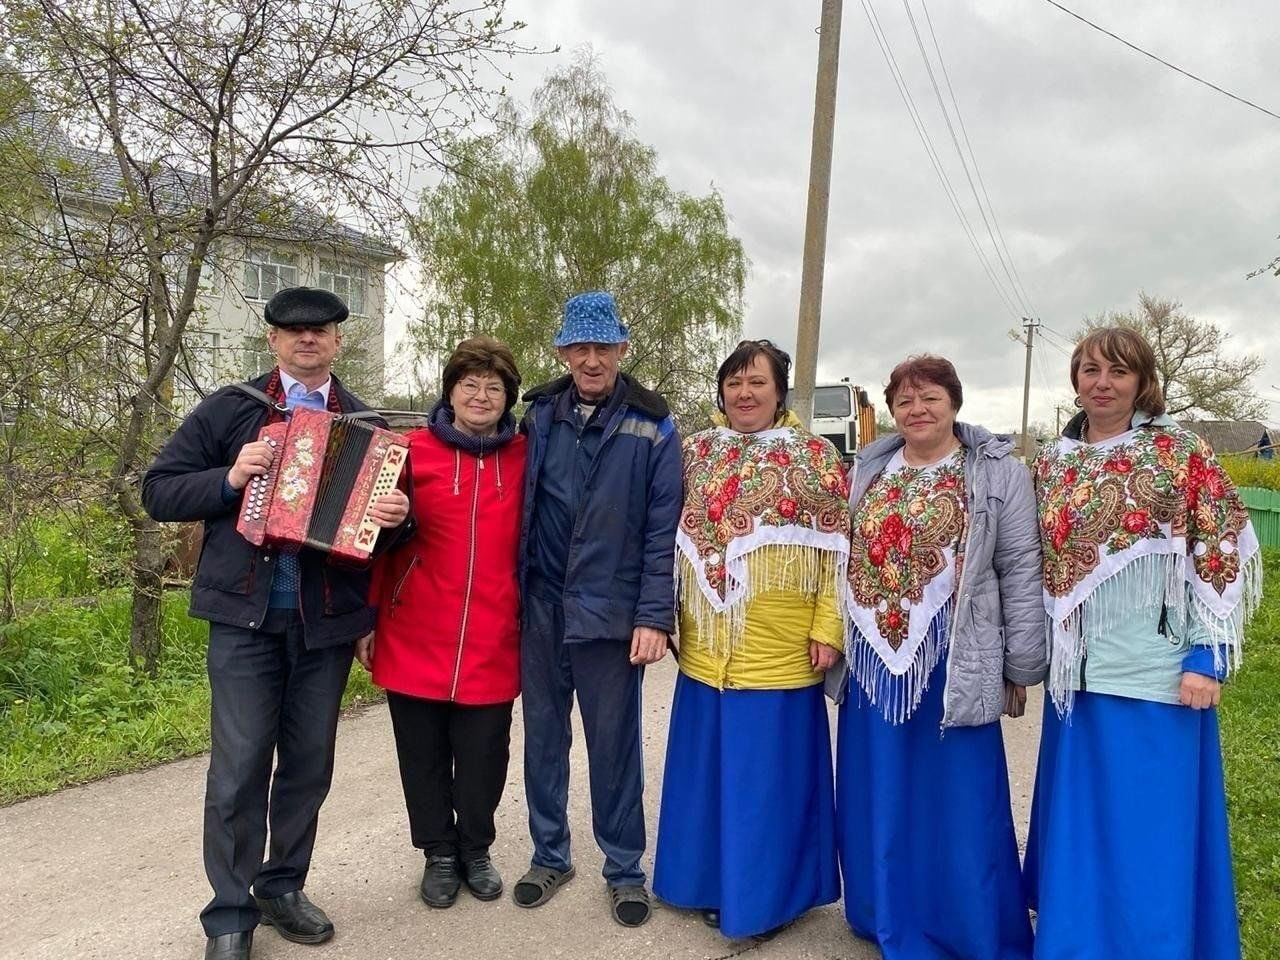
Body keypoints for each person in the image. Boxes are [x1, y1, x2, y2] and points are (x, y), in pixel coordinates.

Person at [142, 288, 410, 960]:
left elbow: (392, 538)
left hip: (322, 624)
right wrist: (229, 478)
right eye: (293, 331)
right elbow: (160, 490)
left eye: (319, 331)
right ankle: (230, 914)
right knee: (238, 770)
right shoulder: (235, 408)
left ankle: (282, 887)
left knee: (308, 768)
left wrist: (399, 520)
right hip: (244, 617)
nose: (307, 340)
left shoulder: (367, 423)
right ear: (273, 341)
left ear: (337, 342)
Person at [1025, 327, 1260, 960]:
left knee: (1150, 827)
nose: (1102, 383)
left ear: (1142, 382)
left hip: (1157, 673)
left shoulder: (1181, 453)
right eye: (1090, 370)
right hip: (1076, 675)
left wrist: (1205, 657)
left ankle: (1153, 944)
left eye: (1118, 372)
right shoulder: (1052, 461)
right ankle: (1077, 942)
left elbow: (1218, 548)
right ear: (1075, 379)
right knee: (1084, 823)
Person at [830, 354, 1043, 960]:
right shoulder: (869, 467)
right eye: (905, 400)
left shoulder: (996, 473)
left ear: (955, 401)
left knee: (959, 797)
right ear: (892, 410)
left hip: (954, 659)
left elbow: (1021, 567)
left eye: (930, 398)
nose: (917, 409)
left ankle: (970, 924)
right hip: (874, 661)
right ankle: (884, 913)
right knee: (882, 789)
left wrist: (1020, 666)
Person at [652, 339, 850, 942]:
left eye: (757, 383)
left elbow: (842, 552)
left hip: (780, 649)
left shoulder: (816, 457)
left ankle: (767, 897)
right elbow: (666, 536)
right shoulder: (697, 452)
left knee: (768, 784)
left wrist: (827, 628)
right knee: (710, 776)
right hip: (708, 648)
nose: (744, 393)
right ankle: (701, 881)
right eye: (734, 382)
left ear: (780, 391)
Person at [512, 291, 682, 927]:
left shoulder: (654, 424)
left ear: (621, 350)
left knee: (614, 745)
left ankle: (624, 868)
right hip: (542, 605)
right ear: (561, 351)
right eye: (579, 348)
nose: (591, 359)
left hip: (611, 612)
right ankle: (549, 854)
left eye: (602, 347)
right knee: (543, 739)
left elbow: (663, 529)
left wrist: (652, 615)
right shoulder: (538, 417)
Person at [359, 336, 526, 909]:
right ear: (450, 390)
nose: (481, 396)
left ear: (509, 399)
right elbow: (372, 541)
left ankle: (476, 848)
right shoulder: (408, 452)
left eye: (494, 388)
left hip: (494, 633)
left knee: (485, 752)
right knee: (421, 752)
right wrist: (370, 617)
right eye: (469, 385)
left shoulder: (526, 457)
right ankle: (438, 853)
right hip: (414, 628)